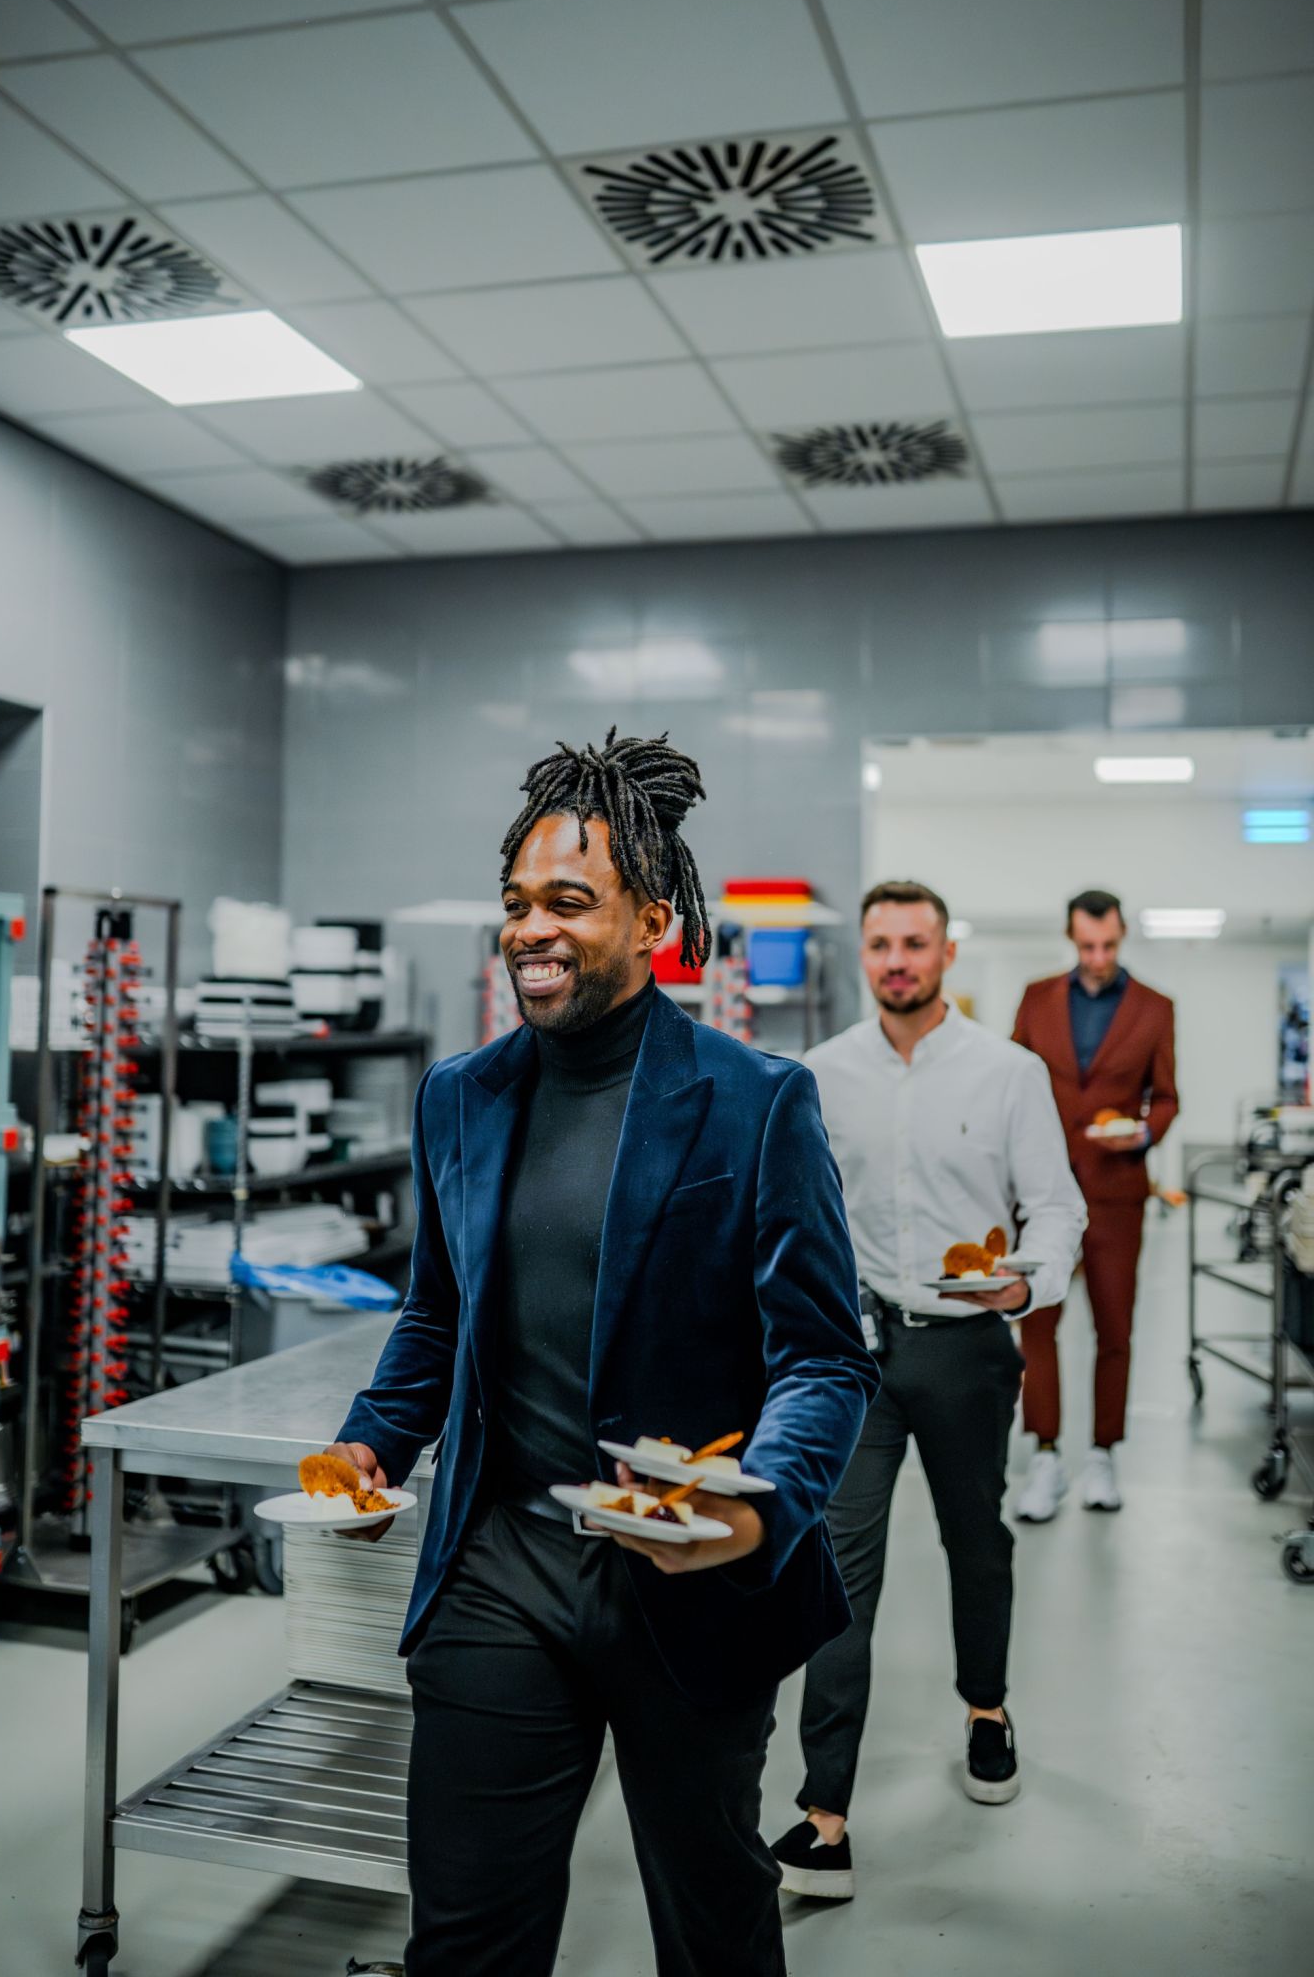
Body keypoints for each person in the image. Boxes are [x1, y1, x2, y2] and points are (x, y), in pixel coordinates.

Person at [323, 729, 879, 1977]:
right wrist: (373, 1444)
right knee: (465, 1938)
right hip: (497, 1570)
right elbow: (436, 1315)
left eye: (568, 902)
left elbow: (823, 1360)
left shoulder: (756, 1100)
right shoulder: (460, 1095)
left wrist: (759, 1508)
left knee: (712, 1922)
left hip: (685, 1575)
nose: (531, 928)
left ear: (653, 922)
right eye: (517, 901)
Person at [771, 881, 1084, 1901]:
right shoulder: (820, 1075)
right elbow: (799, 1215)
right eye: (881, 944)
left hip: (966, 1347)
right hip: (856, 1355)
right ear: (864, 955)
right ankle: (825, 1812)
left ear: (945, 953)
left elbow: (1056, 1208)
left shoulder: (1008, 1073)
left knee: (975, 1540)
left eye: (914, 942)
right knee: (838, 1568)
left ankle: (986, 1709)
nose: (897, 960)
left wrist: (1025, 1284)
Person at [1011, 889, 1178, 1520]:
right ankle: (1046, 1454)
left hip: (1116, 1190)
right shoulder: (1036, 999)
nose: (1098, 957)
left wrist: (1144, 1133)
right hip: (1041, 1187)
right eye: (1087, 946)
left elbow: (1167, 1097)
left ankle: (1104, 1453)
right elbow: (1012, 1078)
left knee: (1114, 1327)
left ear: (1123, 934)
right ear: (1071, 937)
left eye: (1108, 945)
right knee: (1038, 1322)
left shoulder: (1155, 1009)